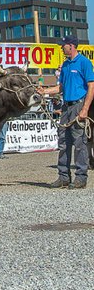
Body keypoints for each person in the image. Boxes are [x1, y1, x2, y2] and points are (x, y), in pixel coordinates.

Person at [37, 35, 94, 189]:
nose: (62, 48)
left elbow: (91, 86)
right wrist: (45, 91)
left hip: (78, 105)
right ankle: (63, 177)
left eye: (64, 45)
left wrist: (85, 109)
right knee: (63, 143)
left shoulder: (84, 63)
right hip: (66, 107)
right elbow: (61, 88)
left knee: (80, 143)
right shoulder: (66, 65)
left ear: (71, 45)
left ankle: (81, 178)